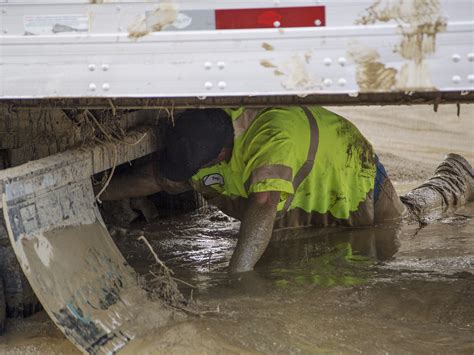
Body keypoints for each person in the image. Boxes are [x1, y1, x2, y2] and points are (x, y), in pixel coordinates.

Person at [100, 106, 473, 273]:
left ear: (221, 154)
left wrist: (237, 279)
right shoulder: (200, 140)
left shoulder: (273, 135)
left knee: (412, 218)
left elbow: (263, 204)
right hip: (297, 207)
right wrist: (94, 195)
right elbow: (156, 178)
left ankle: (455, 175)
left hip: (355, 193)